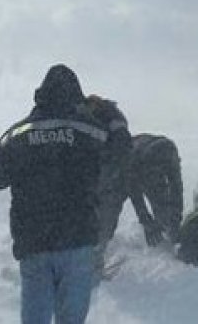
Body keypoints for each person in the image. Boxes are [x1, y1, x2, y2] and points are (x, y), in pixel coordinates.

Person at [0, 64, 108, 324]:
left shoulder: (17, 134)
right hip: (78, 238)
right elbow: (117, 162)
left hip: (34, 241)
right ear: (77, 96)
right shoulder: (92, 132)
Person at [84, 94, 132, 273]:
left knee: (104, 219)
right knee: (102, 219)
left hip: (111, 177)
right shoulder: (108, 117)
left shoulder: (111, 118)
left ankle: (95, 260)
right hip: (104, 178)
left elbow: (122, 147)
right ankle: (93, 258)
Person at [126, 134, 184, 246]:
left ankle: (167, 230)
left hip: (149, 155)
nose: (157, 178)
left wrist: (176, 217)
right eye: (153, 174)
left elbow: (177, 188)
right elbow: (135, 195)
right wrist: (146, 221)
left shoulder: (170, 154)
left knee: (164, 211)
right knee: (112, 200)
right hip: (124, 161)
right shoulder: (133, 162)